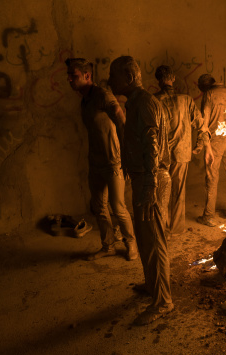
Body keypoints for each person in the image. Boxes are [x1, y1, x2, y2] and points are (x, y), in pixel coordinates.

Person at [108, 56, 174, 325]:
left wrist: (149, 186)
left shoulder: (145, 103)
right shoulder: (136, 102)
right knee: (146, 240)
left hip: (153, 180)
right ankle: (152, 286)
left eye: (113, 75)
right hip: (145, 179)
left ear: (128, 76)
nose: (110, 81)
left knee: (155, 240)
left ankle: (163, 302)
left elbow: (152, 144)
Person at [65, 58, 137, 261]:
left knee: (119, 207)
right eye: (68, 75)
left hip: (114, 160)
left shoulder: (102, 95)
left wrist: (126, 155)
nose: (69, 79)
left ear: (87, 76)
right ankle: (108, 246)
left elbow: (121, 121)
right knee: (99, 207)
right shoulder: (85, 99)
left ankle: (131, 244)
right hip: (95, 162)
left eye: (74, 75)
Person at [153, 65, 213, 237]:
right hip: (181, 153)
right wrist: (203, 144)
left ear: (158, 80)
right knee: (178, 193)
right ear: (173, 79)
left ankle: (161, 228)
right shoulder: (186, 100)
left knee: (160, 192)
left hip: (160, 154)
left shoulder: (153, 100)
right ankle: (177, 229)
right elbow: (201, 125)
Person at [196, 74, 226, 227]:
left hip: (215, 141)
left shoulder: (209, 95)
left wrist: (201, 143)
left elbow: (204, 123)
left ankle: (208, 216)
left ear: (205, 86)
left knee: (212, 178)